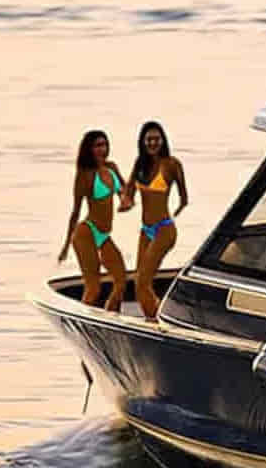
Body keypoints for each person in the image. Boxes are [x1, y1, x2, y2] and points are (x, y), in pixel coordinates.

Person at [119, 121, 188, 320]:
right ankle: (155, 318)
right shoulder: (140, 164)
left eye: (156, 139)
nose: (152, 143)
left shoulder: (172, 164)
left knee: (142, 282)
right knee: (139, 285)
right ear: (142, 142)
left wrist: (179, 209)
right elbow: (129, 192)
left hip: (164, 229)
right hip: (146, 230)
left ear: (163, 140)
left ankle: (161, 321)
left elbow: (184, 197)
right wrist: (125, 201)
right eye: (148, 139)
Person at [59, 129, 128, 311]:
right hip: (86, 233)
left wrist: (125, 201)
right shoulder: (85, 175)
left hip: (104, 235)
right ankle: (83, 324)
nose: (102, 149)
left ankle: (111, 319)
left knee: (121, 281)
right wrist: (66, 246)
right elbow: (75, 211)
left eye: (104, 144)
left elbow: (124, 192)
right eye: (98, 145)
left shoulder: (112, 168)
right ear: (89, 149)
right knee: (93, 288)